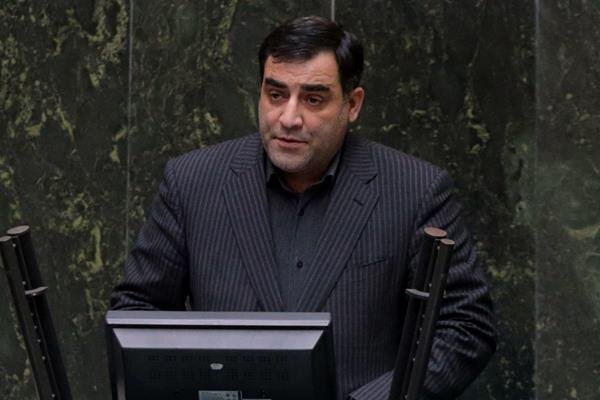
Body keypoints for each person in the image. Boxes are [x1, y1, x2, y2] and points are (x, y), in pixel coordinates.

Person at [111, 16, 496, 400]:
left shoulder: (414, 190)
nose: (289, 118)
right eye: (276, 95)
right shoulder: (192, 182)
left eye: (313, 99)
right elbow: (135, 313)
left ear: (352, 104)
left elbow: (466, 325)